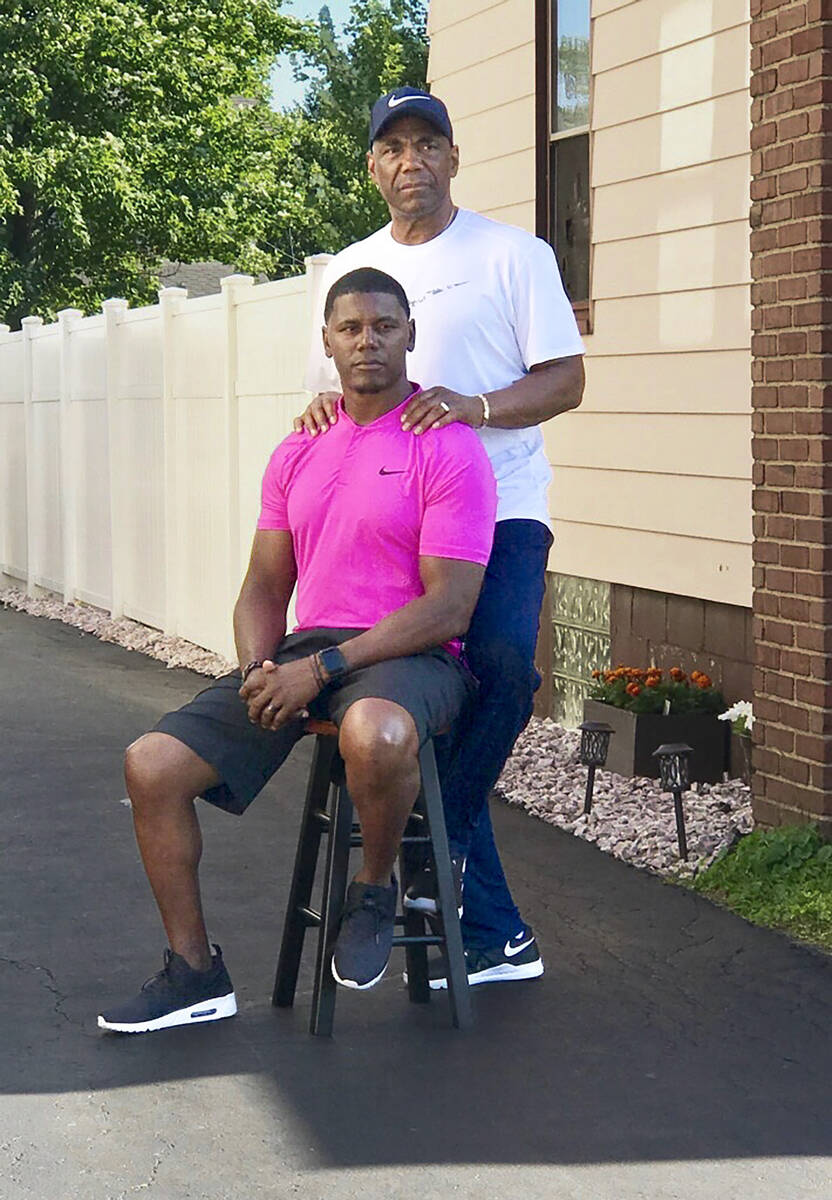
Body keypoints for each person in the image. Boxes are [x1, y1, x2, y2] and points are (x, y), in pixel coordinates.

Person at [97, 267, 496, 1033]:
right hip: (310, 652)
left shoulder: (446, 446)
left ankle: (373, 888)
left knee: (373, 733)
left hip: (415, 655)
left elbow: (450, 604)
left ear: (409, 335)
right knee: (150, 765)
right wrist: (259, 671)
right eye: (351, 328)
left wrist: (324, 670)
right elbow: (262, 585)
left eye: (384, 325)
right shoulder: (299, 449)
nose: (368, 341)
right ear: (328, 342)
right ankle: (194, 973)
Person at [300, 87, 585, 989]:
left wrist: (479, 406)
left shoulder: (512, 254)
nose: (410, 160)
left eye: (428, 144)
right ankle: (496, 931)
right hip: (396, 527)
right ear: (374, 166)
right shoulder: (352, 265)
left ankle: (439, 850)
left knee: (502, 666)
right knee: (426, 704)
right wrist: (317, 410)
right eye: (393, 148)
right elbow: (340, 389)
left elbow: (568, 379)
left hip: (500, 508)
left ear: (453, 158)